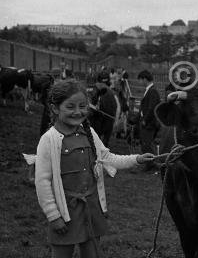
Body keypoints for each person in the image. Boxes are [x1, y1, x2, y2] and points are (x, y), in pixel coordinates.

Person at [34, 79, 154, 258]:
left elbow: (107, 158)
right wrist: (53, 216)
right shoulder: (49, 140)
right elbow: (42, 181)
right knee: (62, 253)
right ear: (55, 108)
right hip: (65, 211)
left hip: (91, 208)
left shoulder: (88, 133)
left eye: (82, 106)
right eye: (70, 107)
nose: (78, 112)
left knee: (93, 253)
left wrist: (137, 159)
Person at [137, 70, 161, 171]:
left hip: (149, 123)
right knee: (146, 144)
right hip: (147, 122)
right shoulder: (149, 90)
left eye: (140, 80)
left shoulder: (152, 91)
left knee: (147, 144)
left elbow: (152, 108)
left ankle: (151, 165)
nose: (139, 82)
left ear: (145, 79)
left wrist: (145, 120)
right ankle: (150, 164)